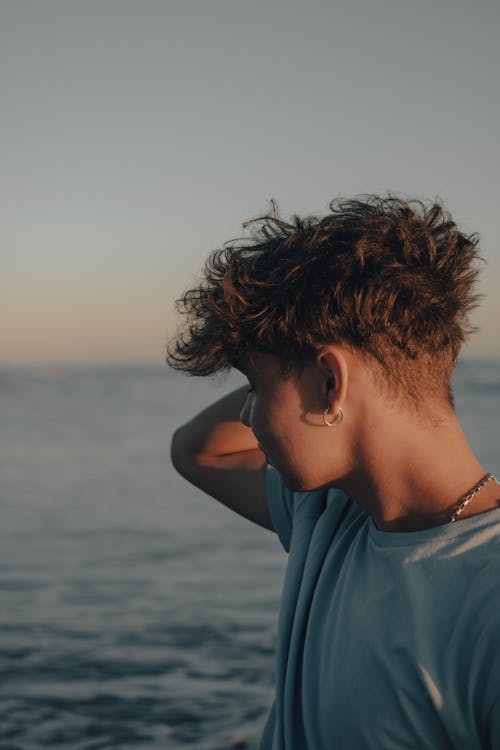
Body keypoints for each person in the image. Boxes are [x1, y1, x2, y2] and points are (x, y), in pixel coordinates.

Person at [168, 195, 500, 749]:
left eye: (255, 385)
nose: (247, 415)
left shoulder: (488, 604)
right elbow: (197, 451)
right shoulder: (329, 515)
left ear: (329, 381)